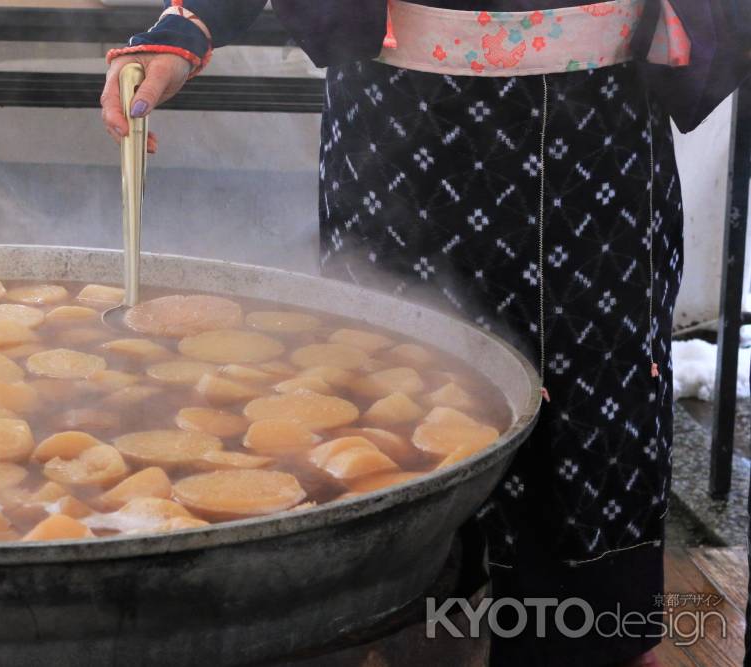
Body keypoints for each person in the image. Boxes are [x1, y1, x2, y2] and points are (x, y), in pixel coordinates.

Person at [101, 2, 749, 665]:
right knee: (384, 428)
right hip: (395, 132)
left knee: (589, 463)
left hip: (595, 144)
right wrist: (186, 30)